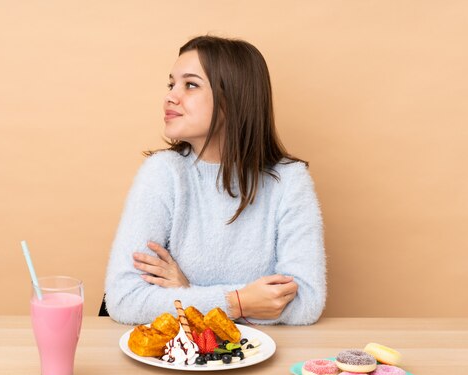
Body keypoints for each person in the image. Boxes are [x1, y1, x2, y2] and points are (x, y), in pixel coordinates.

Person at [104, 35, 326, 325]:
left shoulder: (290, 180)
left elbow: (306, 303)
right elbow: (124, 299)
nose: (170, 96)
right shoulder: (162, 173)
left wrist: (187, 291)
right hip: (177, 363)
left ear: (232, 99)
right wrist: (239, 302)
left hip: (261, 360)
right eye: (172, 84)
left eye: (191, 85)